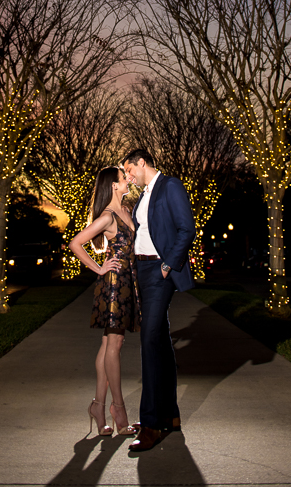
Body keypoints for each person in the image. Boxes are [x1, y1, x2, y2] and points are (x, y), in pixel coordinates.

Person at [122, 148, 196, 453]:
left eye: (129, 170)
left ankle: (150, 424)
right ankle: (169, 415)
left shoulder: (171, 186)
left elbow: (187, 228)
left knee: (149, 341)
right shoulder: (144, 196)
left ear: (142, 163)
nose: (128, 176)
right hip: (143, 269)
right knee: (161, 343)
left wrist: (168, 264)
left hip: (159, 270)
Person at [69, 166, 140, 437]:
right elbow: (76, 243)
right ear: (113, 185)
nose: (127, 181)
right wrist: (98, 268)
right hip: (113, 286)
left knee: (108, 344)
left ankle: (98, 407)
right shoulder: (108, 216)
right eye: (123, 178)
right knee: (115, 344)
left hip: (127, 284)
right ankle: (118, 409)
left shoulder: (126, 209)